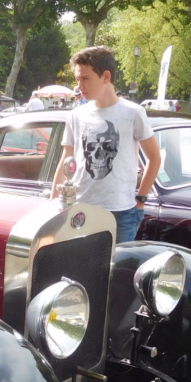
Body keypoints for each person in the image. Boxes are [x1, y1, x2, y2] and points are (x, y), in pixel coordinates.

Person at [49, 46, 162, 244]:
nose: (80, 86)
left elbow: (154, 158)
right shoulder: (76, 115)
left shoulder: (133, 113)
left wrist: (141, 200)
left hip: (122, 212)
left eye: (85, 78)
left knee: (116, 272)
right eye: (77, 79)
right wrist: (53, 201)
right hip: (80, 209)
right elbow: (66, 161)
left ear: (106, 77)